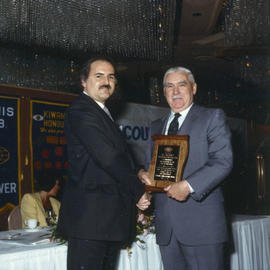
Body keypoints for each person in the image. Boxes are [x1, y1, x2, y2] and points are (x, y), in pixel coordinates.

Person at [56, 56, 150, 270]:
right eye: (99, 76)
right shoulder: (82, 110)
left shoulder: (100, 112)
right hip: (90, 221)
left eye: (111, 77)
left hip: (103, 221)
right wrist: (137, 190)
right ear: (83, 81)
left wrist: (138, 171)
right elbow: (107, 156)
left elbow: (110, 155)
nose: (106, 81)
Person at [138, 66, 233, 270]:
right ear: (164, 92)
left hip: (202, 225)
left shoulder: (212, 117)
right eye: (169, 87)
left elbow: (222, 161)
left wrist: (189, 186)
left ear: (194, 88)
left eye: (182, 85)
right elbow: (150, 169)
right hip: (167, 228)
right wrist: (146, 189)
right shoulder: (156, 126)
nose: (175, 92)